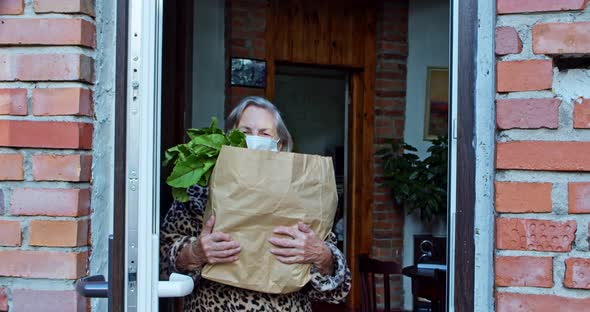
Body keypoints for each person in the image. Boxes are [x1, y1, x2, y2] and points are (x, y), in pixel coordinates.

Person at [160, 96, 352, 311]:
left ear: (280, 144)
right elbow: (160, 264)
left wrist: (322, 255)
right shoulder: (198, 192)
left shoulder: (301, 196)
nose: (254, 139)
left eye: (264, 133)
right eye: (244, 132)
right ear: (226, 138)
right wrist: (193, 253)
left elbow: (338, 290)